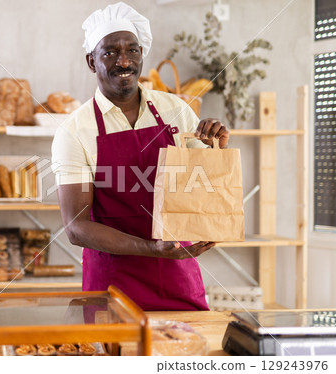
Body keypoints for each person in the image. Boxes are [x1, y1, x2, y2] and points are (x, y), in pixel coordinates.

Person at [51, 2, 229, 311]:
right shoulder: (75, 130)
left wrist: (217, 150)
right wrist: (152, 249)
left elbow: (202, 189)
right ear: (91, 62)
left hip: (177, 277)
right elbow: (77, 228)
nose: (124, 61)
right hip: (112, 288)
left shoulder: (177, 111)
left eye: (133, 50)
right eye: (110, 52)